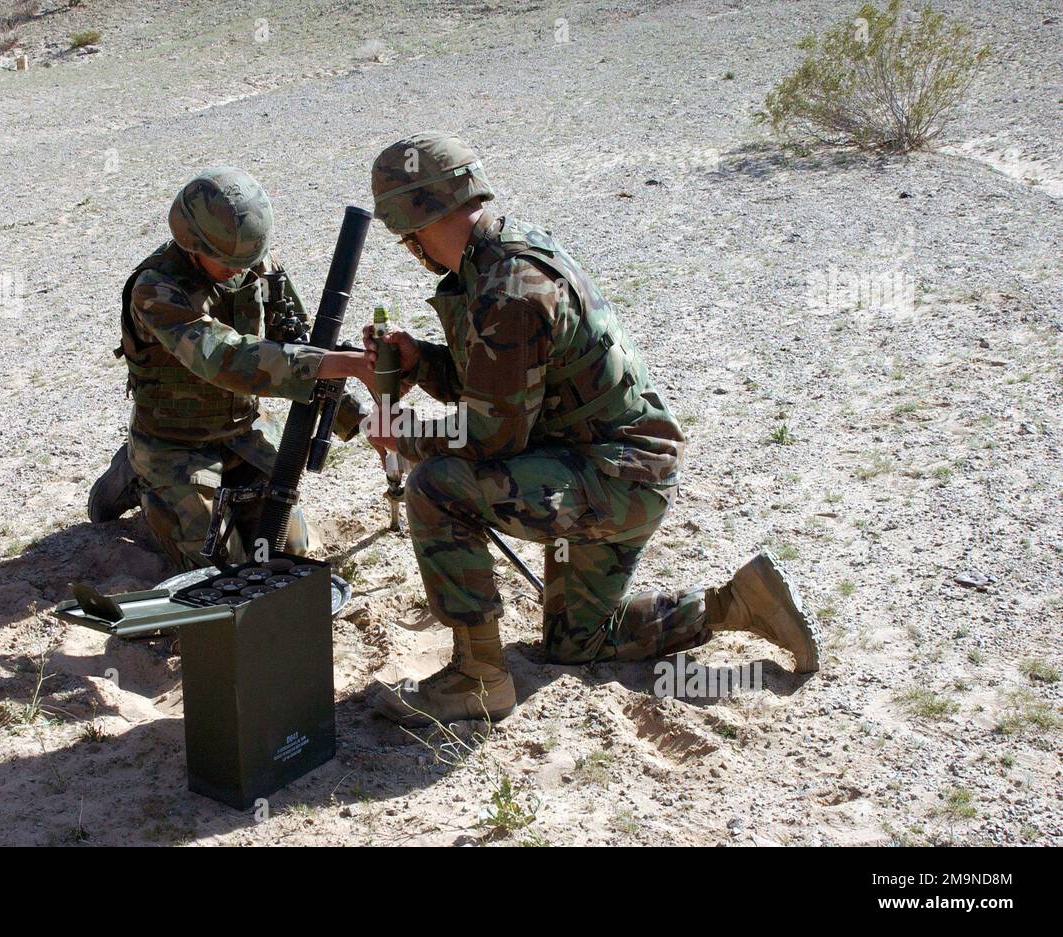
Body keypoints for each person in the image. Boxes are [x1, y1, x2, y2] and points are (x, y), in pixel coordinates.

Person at [361, 133, 821, 727]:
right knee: (577, 644)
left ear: (414, 221)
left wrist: (402, 433)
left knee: (437, 485)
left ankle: (478, 680)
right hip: (610, 467)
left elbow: (490, 437)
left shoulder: (509, 289)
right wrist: (421, 361)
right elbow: (503, 384)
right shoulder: (503, 258)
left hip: (614, 478)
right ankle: (737, 604)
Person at [88, 167, 370, 569]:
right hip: (175, 441)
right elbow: (221, 357)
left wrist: (359, 419)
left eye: (247, 260)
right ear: (191, 243)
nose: (240, 270)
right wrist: (333, 364)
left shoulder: (254, 263)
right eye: (227, 261)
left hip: (242, 432)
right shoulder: (155, 289)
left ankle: (213, 491)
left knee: (286, 551)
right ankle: (136, 473)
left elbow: (298, 341)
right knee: (220, 568)